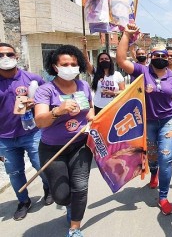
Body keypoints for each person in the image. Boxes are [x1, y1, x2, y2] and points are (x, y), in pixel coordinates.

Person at [116, 24, 172, 216]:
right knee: (153, 158)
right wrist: (126, 35)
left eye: (164, 56)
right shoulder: (142, 71)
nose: (160, 58)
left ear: (168, 59)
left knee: (166, 158)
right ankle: (154, 172)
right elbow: (121, 60)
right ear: (150, 57)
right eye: (156, 55)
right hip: (147, 122)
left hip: (169, 121)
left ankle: (163, 197)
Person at [34, 45, 94, 237]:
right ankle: (68, 205)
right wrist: (57, 111)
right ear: (55, 66)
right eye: (65, 64)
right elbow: (40, 121)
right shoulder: (45, 90)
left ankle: (75, 228)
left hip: (81, 144)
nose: (70, 67)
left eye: (74, 64)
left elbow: (90, 110)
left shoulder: (84, 86)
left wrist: (93, 120)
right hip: (53, 149)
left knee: (80, 187)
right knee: (61, 196)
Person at [0, 42, 53, 221]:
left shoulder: (32, 79)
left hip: (32, 133)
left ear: (16, 56)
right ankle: (23, 201)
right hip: (4, 139)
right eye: (1, 55)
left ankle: (48, 188)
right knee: (14, 173)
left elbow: (49, 96)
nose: (5, 58)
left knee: (41, 166)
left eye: (9, 54)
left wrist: (36, 103)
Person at [82, 37, 125, 115]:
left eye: (106, 58)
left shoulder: (117, 75)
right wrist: (84, 47)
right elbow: (86, 62)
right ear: (98, 62)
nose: (104, 60)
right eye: (101, 59)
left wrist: (113, 93)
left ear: (110, 61)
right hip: (99, 107)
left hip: (114, 107)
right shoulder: (95, 72)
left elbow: (123, 91)